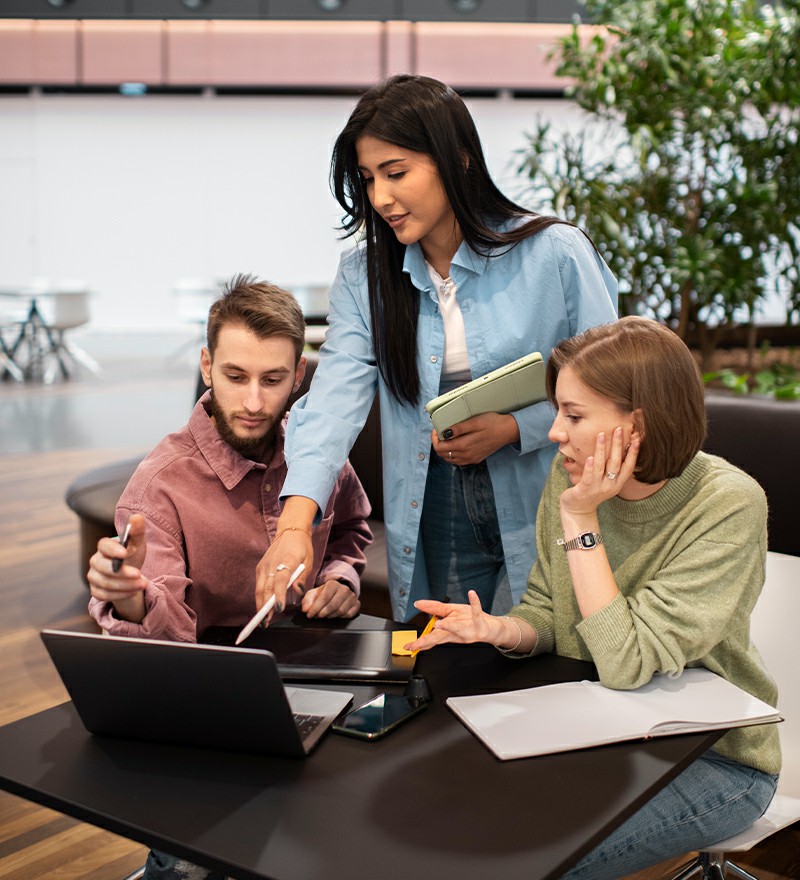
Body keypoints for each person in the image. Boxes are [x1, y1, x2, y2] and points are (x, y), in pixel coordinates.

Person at [406, 316, 780, 880]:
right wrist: (500, 629)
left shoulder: (727, 503)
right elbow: (548, 609)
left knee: (534, 863)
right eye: (558, 411)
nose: (555, 433)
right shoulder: (571, 475)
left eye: (574, 416)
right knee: (455, 814)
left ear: (637, 426)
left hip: (714, 759)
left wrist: (582, 520)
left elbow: (626, 663)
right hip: (598, 730)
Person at [257, 74, 618, 623]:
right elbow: (332, 403)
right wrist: (293, 527)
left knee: (544, 651)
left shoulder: (556, 254)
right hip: (436, 503)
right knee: (452, 658)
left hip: (551, 493)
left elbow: (613, 391)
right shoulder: (364, 277)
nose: (380, 198)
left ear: (459, 160)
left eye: (396, 172)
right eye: (368, 178)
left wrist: (513, 428)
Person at [88, 274, 372, 642]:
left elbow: (349, 531)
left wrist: (339, 580)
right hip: (213, 671)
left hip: (316, 654)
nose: (253, 403)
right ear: (207, 366)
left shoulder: (317, 454)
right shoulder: (159, 488)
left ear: (298, 374)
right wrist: (132, 601)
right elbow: (165, 642)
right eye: (236, 377)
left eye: (272, 380)